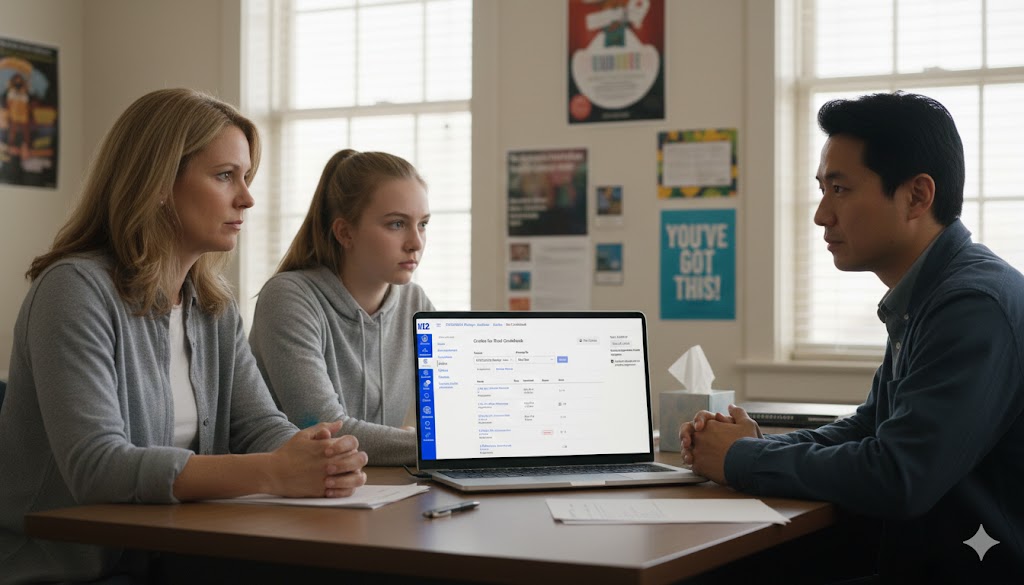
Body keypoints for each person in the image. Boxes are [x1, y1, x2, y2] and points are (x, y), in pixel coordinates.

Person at [0, 89, 368, 583]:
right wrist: (273, 472)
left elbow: (259, 426)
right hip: (64, 567)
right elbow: (97, 466)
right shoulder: (73, 290)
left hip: (165, 553)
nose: (247, 197)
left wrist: (317, 455)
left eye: (246, 176)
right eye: (224, 176)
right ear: (156, 183)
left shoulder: (212, 305)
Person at [681, 92, 1024, 582]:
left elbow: (898, 475)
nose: (822, 215)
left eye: (840, 190)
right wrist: (755, 445)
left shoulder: (970, 305)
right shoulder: (930, 290)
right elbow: (870, 427)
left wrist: (740, 459)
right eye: (822, 189)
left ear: (917, 196)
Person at [249, 149, 433, 466]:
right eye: (397, 224)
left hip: (370, 488)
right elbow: (325, 429)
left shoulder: (416, 304)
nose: (415, 242)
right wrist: (444, 446)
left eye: (423, 224)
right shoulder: (288, 298)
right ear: (345, 232)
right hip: (285, 499)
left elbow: (453, 417)